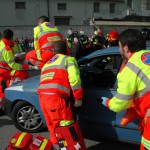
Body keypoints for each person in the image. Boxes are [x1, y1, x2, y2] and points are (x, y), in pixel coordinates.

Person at [101, 29, 150, 150]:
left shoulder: (130, 68)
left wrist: (108, 103)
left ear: (126, 48)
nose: (119, 49)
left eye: (119, 46)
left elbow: (120, 102)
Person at [38, 40, 86, 150]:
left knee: (53, 128)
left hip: (43, 99)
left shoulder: (47, 63)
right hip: (56, 101)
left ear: (54, 51)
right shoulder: (68, 59)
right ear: (67, 50)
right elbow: (74, 79)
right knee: (67, 130)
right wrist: (78, 98)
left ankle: (59, 147)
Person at [0, 29, 33, 114]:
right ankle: (9, 83)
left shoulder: (2, 43)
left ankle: (2, 106)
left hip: (3, 70)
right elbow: (13, 65)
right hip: (4, 70)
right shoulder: (6, 48)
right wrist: (27, 66)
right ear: (11, 38)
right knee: (23, 74)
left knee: (1, 90)